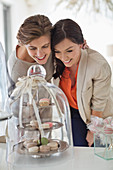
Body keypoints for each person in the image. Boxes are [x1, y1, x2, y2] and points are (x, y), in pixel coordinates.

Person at [51, 18, 113, 147]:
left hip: (99, 114)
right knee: (78, 151)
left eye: (69, 50)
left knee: (98, 152)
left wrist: (93, 130)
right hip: (74, 113)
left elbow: (99, 103)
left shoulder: (98, 65)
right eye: (57, 51)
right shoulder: (55, 63)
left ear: (82, 43)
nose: (64, 58)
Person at [7, 14, 54, 96]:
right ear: (24, 45)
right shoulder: (17, 69)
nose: (40, 54)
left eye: (45, 46)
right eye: (33, 48)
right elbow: (16, 104)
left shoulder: (54, 46)